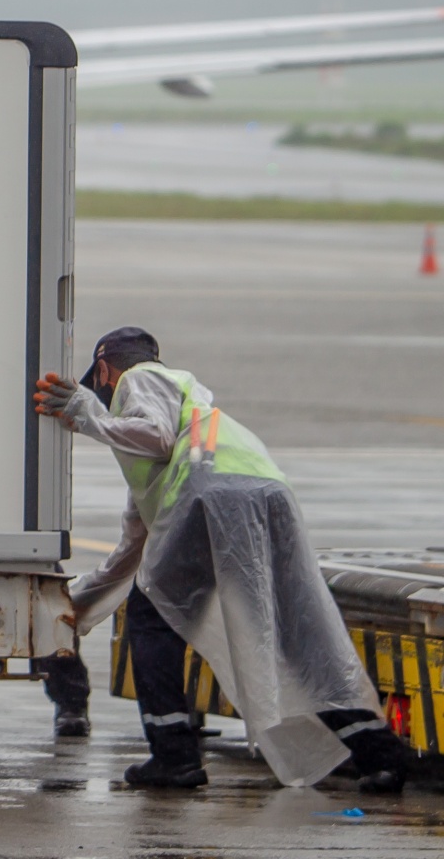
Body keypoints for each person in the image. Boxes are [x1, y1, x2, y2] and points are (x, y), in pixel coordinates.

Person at [36, 327, 412, 791]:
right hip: (265, 489)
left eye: (101, 387)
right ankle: (382, 755)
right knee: (295, 631)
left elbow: (153, 435)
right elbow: (132, 551)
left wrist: (87, 414)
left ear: (107, 370)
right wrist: (75, 605)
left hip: (209, 493)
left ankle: (174, 755)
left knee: (152, 621)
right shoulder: (189, 432)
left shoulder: (144, 377)